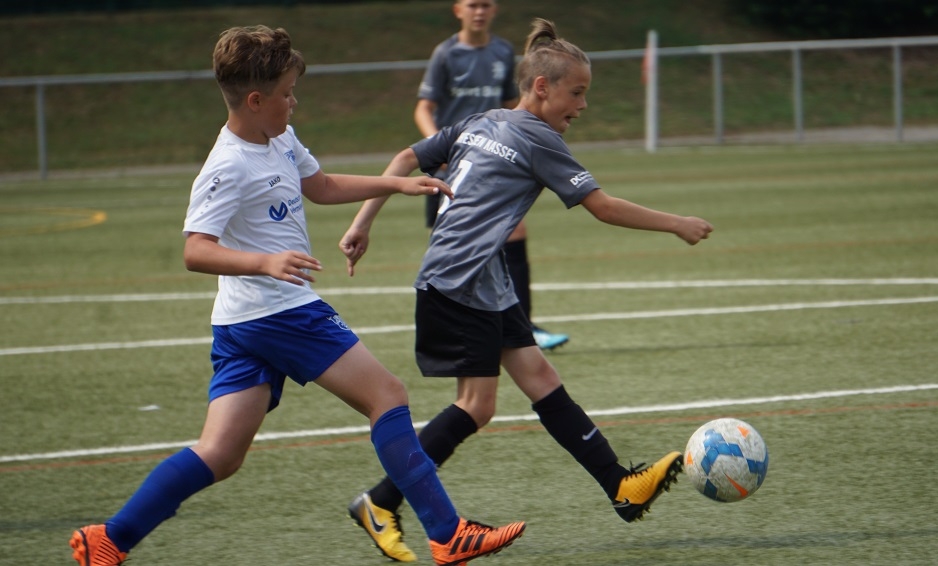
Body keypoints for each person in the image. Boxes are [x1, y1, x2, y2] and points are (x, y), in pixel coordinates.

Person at [68, 25, 524, 566]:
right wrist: (264, 261)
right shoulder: (227, 164)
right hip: (279, 312)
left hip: (242, 322)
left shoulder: (279, 137)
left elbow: (322, 186)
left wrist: (397, 183)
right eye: (286, 93)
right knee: (388, 395)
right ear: (255, 101)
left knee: (221, 453)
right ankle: (448, 534)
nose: (295, 101)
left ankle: (109, 539)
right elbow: (195, 250)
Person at [339, 18, 714, 563]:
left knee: (540, 378)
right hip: (460, 278)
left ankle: (621, 486)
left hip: (481, 276)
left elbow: (402, 159)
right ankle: (381, 502)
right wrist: (677, 223)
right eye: (576, 93)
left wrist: (362, 223)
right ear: (542, 87)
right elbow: (603, 207)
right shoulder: (540, 139)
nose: (582, 105)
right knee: (476, 405)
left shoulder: (482, 119)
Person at [415, 0, 569, 352]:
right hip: (455, 162)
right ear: (458, 10)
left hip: (495, 158)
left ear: (495, 10)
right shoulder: (446, 54)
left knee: (512, 231)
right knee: (458, 243)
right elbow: (424, 107)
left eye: (486, 5)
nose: (480, 11)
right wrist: (438, 146)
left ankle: (522, 326)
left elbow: (513, 104)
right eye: (473, 5)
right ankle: (473, 321)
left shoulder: (501, 51)